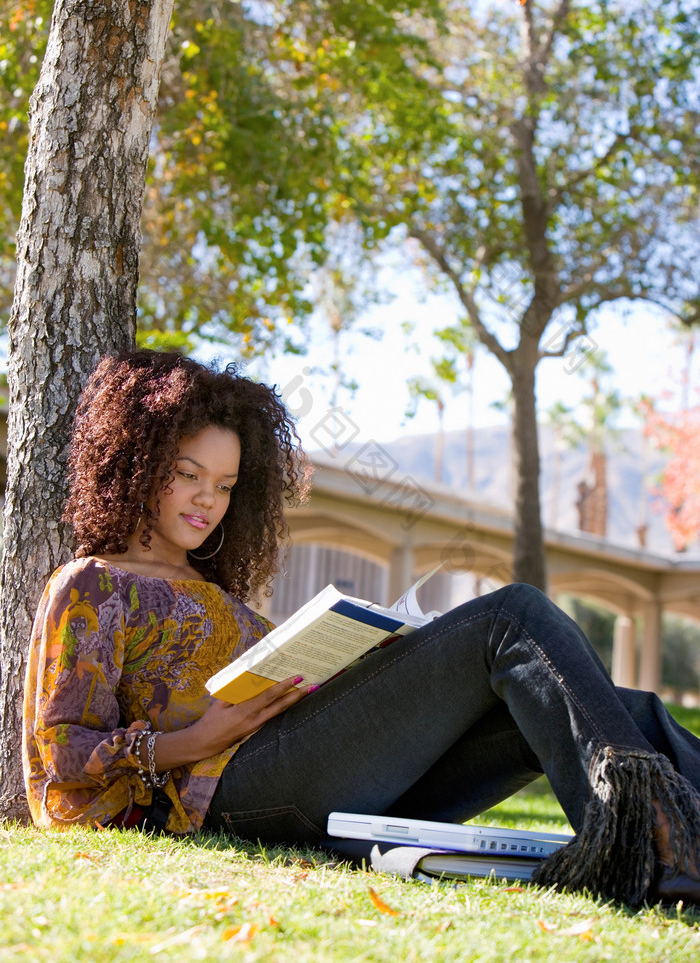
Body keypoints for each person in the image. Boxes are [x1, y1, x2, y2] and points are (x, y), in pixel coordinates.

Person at [22, 350, 700, 910]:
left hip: (318, 778)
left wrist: (375, 657)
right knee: (508, 615)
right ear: (137, 465)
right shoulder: (93, 583)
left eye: (226, 485)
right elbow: (63, 750)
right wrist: (191, 740)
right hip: (226, 792)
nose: (208, 499)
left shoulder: (220, 594)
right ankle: (649, 854)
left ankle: (680, 845)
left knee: (606, 708)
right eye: (187, 474)